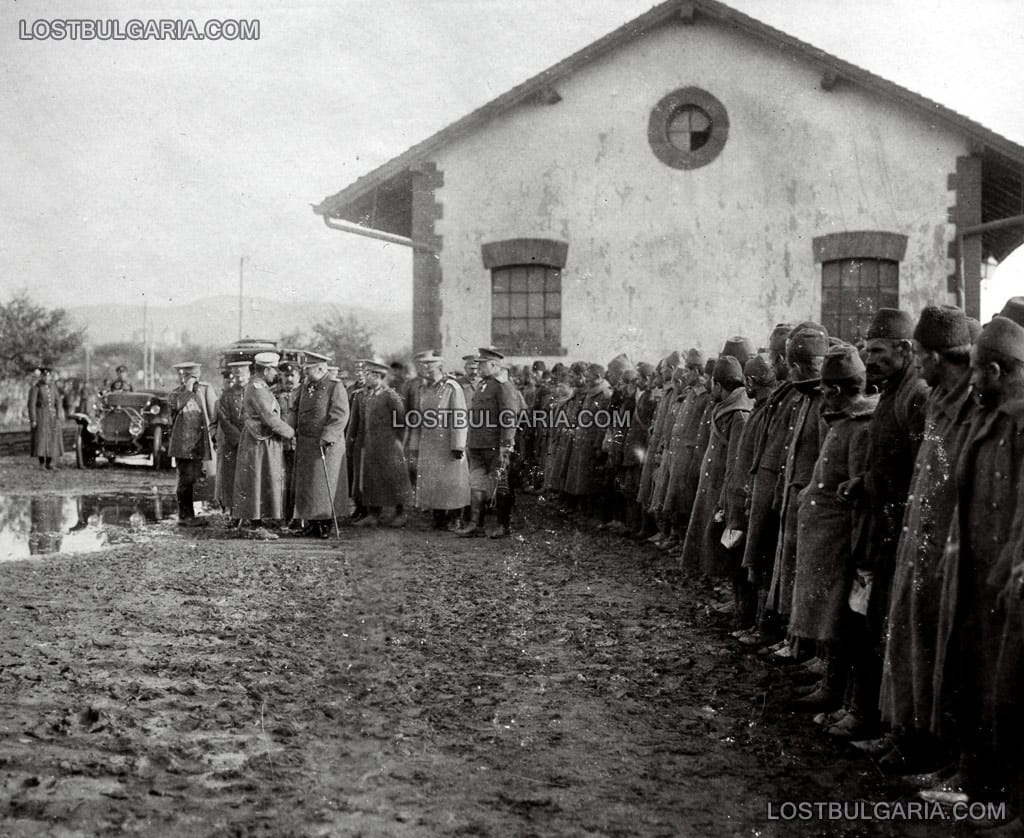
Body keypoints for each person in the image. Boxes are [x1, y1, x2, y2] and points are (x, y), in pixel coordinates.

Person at [232, 352, 294, 539]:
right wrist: (290, 433)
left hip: (261, 439)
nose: (276, 373)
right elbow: (269, 417)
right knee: (256, 480)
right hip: (259, 441)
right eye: (274, 369)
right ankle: (256, 525)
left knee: (260, 479)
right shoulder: (258, 388)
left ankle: (257, 522)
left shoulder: (260, 386)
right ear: (266, 369)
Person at [288, 355, 350, 538]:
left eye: (308, 369)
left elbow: (340, 415)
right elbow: (296, 411)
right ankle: (312, 524)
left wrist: (327, 437)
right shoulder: (306, 387)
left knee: (323, 485)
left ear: (321, 369)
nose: (305, 373)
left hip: (326, 445)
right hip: (306, 444)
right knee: (308, 486)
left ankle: (324, 525)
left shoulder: (334, 386)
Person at [459, 347, 517, 538]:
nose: (479, 368)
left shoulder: (503, 386)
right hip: (477, 443)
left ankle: (503, 525)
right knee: (476, 483)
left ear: (493, 365)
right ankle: (476, 523)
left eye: (482, 364)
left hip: (494, 445)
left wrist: (506, 445)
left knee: (501, 484)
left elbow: (508, 417)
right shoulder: (484, 384)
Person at [413, 351, 471, 529]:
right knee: (433, 480)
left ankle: (455, 517)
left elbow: (460, 417)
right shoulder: (424, 389)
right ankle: (438, 516)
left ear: (439, 367)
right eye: (424, 367)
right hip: (430, 443)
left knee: (452, 481)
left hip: (448, 442)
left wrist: (458, 444)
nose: (427, 371)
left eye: (430, 367)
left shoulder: (451, 387)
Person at [352, 360, 412, 527]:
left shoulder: (391, 396)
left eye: (369, 375)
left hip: (390, 446)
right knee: (372, 479)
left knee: (396, 479)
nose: (366, 377)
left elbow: (401, 422)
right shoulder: (369, 395)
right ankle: (373, 514)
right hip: (371, 445)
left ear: (378, 376)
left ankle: (401, 513)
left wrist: (398, 443)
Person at [167, 361, 219, 526]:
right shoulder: (176, 394)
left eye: (191, 376)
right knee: (185, 479)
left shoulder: (205, 389)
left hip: (201, 442)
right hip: (182, 445)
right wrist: (188, 390)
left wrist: (215, 436)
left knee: (203, 477)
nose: (186, 379)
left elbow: (214, 414)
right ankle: (185, 515)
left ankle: (198, 512)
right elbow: (176, 406)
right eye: (183, 376)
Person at [216, 361, 249, 522]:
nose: (239, 378)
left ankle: (250, 514)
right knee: (232, 480)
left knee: (250, 478)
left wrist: (249, 437)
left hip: (251, 443)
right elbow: (224, 419)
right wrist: (237, 439)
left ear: (249, 374)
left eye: (242, 374)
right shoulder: (226, 395)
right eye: (236, 375)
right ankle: (234, 514)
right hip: (232, 444)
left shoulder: (254, 392)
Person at [275, 360, 302, 527]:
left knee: (297, 481)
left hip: (299, 443)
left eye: (293, 375)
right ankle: (283, 516)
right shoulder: (274, 394)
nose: (289, 379)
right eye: (286, 376)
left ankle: (297, 517)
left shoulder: (305, 394)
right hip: (280, 444)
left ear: (299, 376)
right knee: (283, 481)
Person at [27, 365, 64, 470]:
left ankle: (50, 463)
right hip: (41, 416)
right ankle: (42, 463)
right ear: (41, 377)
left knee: (52, 438)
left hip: (52, 416)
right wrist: (33, 419)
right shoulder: (36, 388)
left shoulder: (53, 387)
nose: (47, 379)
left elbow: (58, 401)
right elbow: (31, 405)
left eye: (49, 377)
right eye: (45, 377)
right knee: (41, 439)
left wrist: (58, 414)